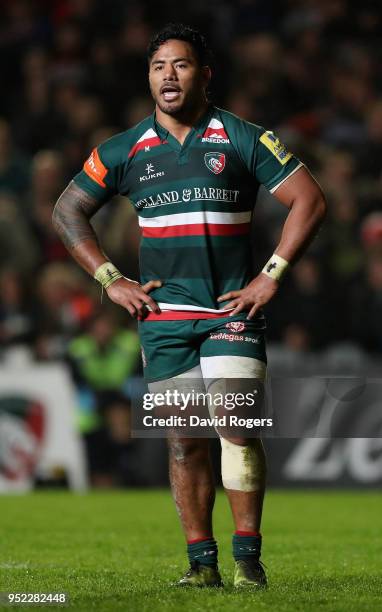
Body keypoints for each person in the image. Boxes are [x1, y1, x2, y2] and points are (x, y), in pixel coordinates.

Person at [53, 23, 326, 588]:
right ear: (148, 79)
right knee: (183, 441)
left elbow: (310, 199)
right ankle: (202, 567)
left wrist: (272, 274)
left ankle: (248, 561)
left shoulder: (242, 137)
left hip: (232, 308)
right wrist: (110, 279)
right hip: (164, 318)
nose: (168, 76)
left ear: (205, 75)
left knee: (237, 426)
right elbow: (67, 210)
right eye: (158, 67)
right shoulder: (124, 149)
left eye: (180, 65)